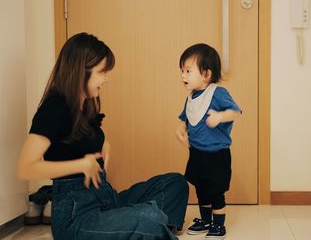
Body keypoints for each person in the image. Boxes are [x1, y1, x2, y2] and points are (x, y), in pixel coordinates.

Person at [17, 32, 188, 240]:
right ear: (81, 71)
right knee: (147, 218)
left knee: (175, 184)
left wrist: (105, 144)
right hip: (76, 216)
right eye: (101, 72)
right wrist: (81, 165)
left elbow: (85, 138)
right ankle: (148, 227)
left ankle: (143, 228)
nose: (105, 79)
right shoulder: (55, 107)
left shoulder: (84, 103)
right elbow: (25, 167)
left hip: (105, 198)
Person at [175, 43, 241, 239]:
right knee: (201, 188)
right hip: (197, 153)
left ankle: (218, 225)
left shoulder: (218, 93)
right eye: (182, 71)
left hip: (216, 155)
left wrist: (220, 117)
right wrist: (180, 129)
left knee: (216, 191)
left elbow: (236, 112)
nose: (183, 76)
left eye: (188, 71)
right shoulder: (192, 97)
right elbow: (185, 118)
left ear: (206, 74)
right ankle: (205, 221)